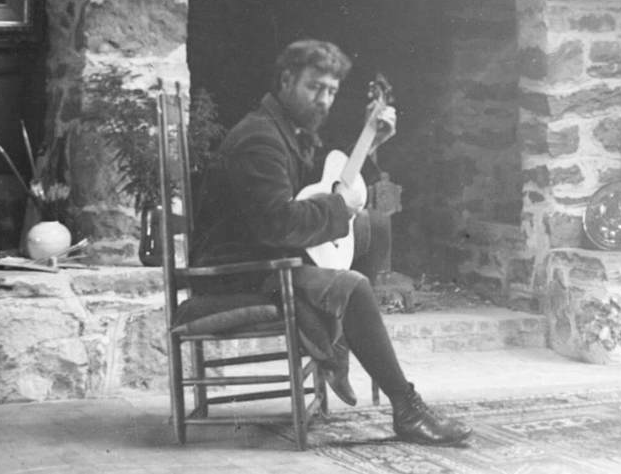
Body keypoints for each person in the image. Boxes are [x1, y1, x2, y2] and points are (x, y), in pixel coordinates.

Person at [192, 39, 473, 446]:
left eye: (332, 91)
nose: (324, 100)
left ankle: (349, 354)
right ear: (286, 80)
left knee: (359, 249)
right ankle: (407, 408)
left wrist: (369, 143)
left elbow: (316, 190)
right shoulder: (260, 139)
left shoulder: (285, 131)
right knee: (352, 285)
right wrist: (342, 208)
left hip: (266, 262)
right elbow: (279, 225)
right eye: (314, 87)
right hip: (232, 273)